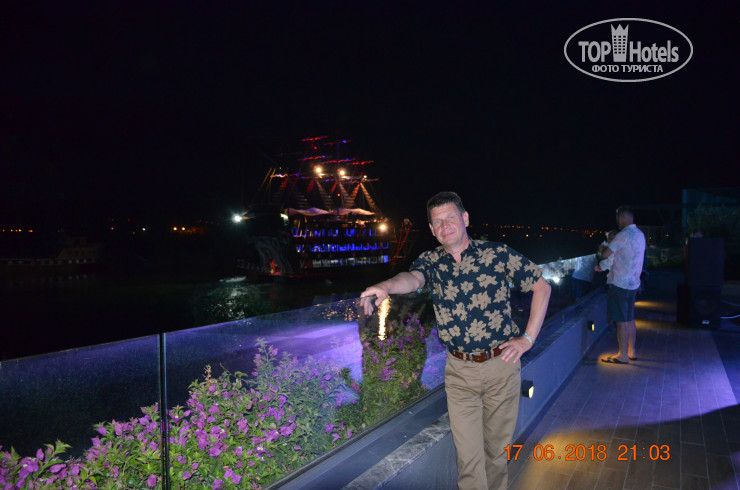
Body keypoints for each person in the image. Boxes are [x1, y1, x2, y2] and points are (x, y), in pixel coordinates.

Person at [361, 192, 551, 490]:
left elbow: (542, 287)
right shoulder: (431, 261)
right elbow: (413, 278)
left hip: (501, 365)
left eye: (450, 218)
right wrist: (386, 285)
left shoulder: (497, 253)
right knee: (468, 460)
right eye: (437, 222)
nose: (445, 226)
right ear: (432, 229)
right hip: (459, 373)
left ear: (465, 219)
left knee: (497, 455)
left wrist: (527, 339)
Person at [599, 206, 646, 365]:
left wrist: (603, 249)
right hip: (634, 283)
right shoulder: (640, 234)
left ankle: (623, 355)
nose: (617, 221)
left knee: (621, 322)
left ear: (622, 218)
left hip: (620, 284)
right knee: (629, 319)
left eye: (618, 218)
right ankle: (632, 352)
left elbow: (605, 254)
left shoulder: (622, 235)